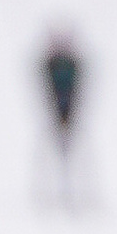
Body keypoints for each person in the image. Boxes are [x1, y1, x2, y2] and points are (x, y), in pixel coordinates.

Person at [37, 30, 86, 211]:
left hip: (69, 114)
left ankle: (77, 195)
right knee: (51, 152)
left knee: (75, 153)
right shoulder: (51, 65)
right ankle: (48, 196)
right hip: (56, 114)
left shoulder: (72, 64)